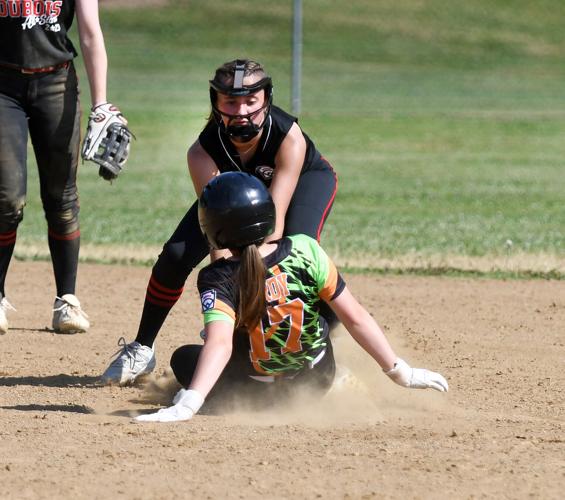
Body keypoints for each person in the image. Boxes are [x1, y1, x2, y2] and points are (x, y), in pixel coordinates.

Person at [135, 172, 448, 423]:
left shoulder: (217, 277)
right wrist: (400, 371)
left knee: (185, 358)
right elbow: (355, 317)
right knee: (325, 301)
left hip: (255, 388)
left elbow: (220, 345)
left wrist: (189, 403)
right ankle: (335, 382)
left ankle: (222, 401)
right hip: (317, 377)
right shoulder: (305, 250)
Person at [102, 59, 338, 384]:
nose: (240, 110)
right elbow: (219, 234)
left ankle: (313, 348)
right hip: (237, 196)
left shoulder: (288, 138)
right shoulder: (202, 153)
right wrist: (228, 303)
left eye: (250, 101)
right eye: (230, 101)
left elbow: (275, 230)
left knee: (294, 255)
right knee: (175, 255)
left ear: (266, 99)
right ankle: (142, 349)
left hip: (301, 184)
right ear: (216, 102)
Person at [0, 0, 125, 333]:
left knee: (62, 198)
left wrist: (101, 105)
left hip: (55, 82)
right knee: (7, 198)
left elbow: (89, 34)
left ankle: (66, 300)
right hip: (3, 86)